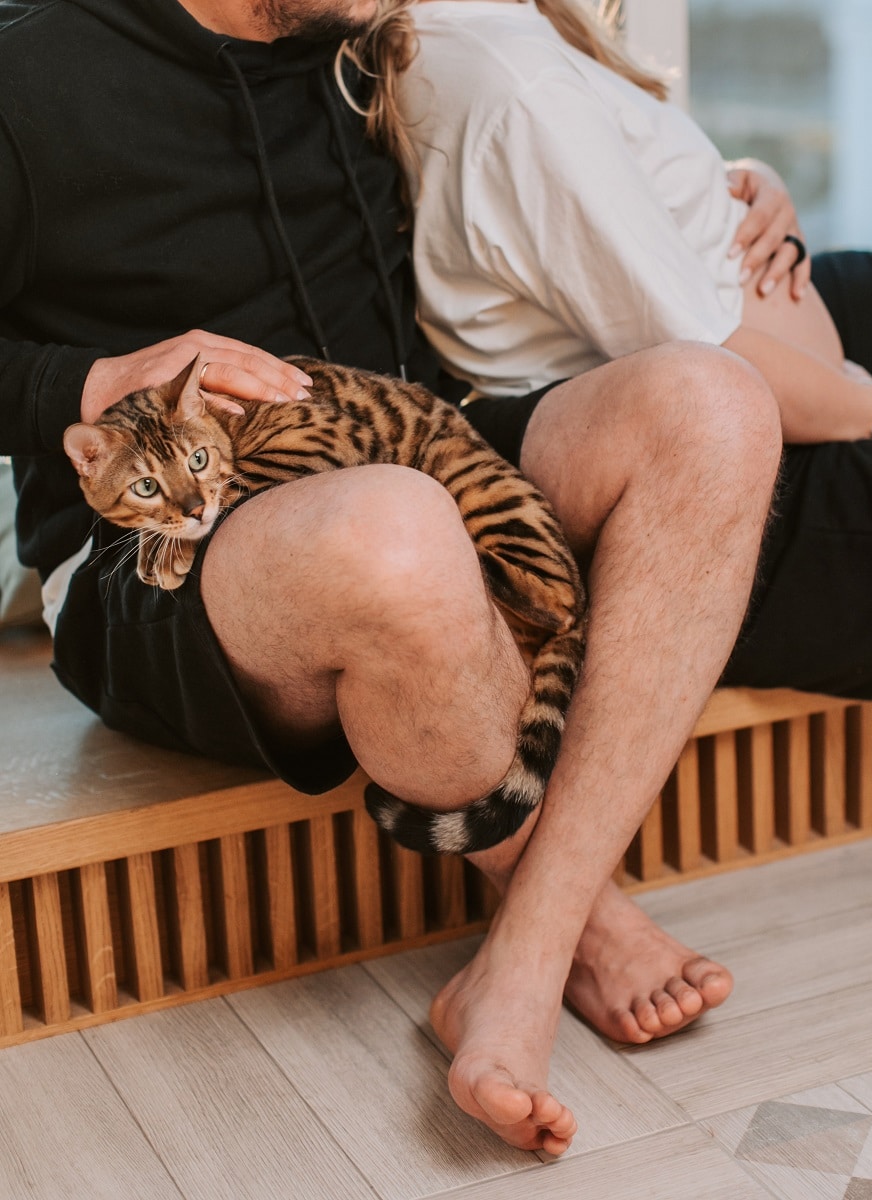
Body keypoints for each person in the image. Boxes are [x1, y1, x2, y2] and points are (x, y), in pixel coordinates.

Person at [0, 0, 782, 1156]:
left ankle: (526, 942)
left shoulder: (364, 35)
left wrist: (734, 183)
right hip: (157, 555)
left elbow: (565, 129)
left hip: (418, 442)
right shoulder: (30, 69)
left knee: (712, 405)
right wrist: (92, 377)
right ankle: (584, 925)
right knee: (396, 537)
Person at [364, 0, 872, 701]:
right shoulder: (510, 83)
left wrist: (734, 183)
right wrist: (865, 404)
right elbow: (710, 355)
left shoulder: (503, 37)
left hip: (761, 375)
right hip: (730, 450)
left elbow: (597, 207)